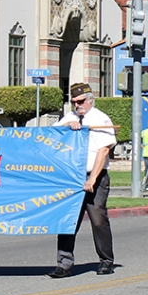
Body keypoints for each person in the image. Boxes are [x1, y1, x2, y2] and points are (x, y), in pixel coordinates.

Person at [47, 82, 116, 278]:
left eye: (81, 101)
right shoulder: (69, 118)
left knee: (98, 219)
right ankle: (64, 264)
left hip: (95, 176)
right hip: (72, 178)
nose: (78, 105)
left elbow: (103, 151)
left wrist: (92, 179)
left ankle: (106, 261)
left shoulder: (100, 119)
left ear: (90, 100)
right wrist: (67, 127)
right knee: (67, 220)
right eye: (74, 102)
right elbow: (51, 136)